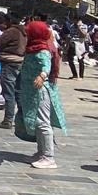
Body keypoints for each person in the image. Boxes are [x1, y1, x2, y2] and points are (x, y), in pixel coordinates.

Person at [16, 20, 66, 169]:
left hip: (40, 91)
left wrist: (42, 76)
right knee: (38, 123)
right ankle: (41, 153)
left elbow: (47, 65)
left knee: (43, 123)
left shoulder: (42, 50)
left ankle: (49, 157)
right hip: (30, 91)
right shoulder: (32, 48)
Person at [0, 13, 26, 129]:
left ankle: (8, 120)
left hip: (9, 63)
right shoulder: (23, 31)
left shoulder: (11, 31)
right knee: (18, 92)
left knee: (9, 93)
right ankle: (22, 118)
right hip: (20, 62)